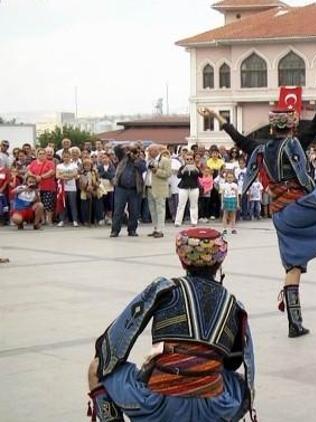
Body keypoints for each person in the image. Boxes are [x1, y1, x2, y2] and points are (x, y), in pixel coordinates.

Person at [201, 66, 316, 338]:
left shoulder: (258, 149)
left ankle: (295, 324)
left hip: (280, 217)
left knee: (293, 267)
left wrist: (217, 117)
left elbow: (238, 138)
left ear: (272, 127)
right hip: (298, 207)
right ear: (293, 125)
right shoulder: (295, 144)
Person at [86, 228, 257, 422]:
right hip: (213, 407)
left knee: (96, 369)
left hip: (159, 403)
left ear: (182, 259)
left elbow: (115, 344)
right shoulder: (234, 306)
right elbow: (234, 362)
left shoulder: (165, 290)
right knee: (240, 387)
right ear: (220, 260)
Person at [111, 143, 147, 237]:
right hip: (121, 188)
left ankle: (132, 230)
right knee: (118, 210)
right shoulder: (123, 157)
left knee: (134, 211)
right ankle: (115, 230)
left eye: (136, 151)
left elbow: (143, 168)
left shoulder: (141, 161)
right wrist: (127, 147)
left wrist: (136, 158)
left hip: (134, 189)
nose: (134, 153)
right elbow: (116, 148)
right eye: (133, 151)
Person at [145, 145, 171, 238]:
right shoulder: (149, 160)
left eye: (150, 151)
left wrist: (157, 171)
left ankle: (160, 230)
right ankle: (155, 228)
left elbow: (168, 174)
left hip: (159, 188)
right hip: (149, 188)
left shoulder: (165, 160)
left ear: (155, 151)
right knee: (152, 209)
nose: (148, 153)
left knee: (160, 209)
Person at [26, 148, 57, 226]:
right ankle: (42, 220)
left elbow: (52, 172)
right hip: (36, 187)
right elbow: (29, 171)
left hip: (48, 186)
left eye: (43, 153)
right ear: (37, 154)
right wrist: (35, 176)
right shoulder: (33, 162)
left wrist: (41, 177)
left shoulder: (50, 163)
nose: (42, 155)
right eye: (40, 153)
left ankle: (49, 220)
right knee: (40, 203)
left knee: (48, 204)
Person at [175, 153, 201, 227]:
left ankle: (194, 221)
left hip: (194, 187)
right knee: (181, 205)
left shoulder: (196, 167)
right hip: (183, 188)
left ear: (193, 160)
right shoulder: (182, 167)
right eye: (187, 159)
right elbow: (178, 176)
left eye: (191, 159)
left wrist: (196, 168)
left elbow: (201, 175)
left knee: (194, 205)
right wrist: (184, 169)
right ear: (185, 160)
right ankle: (178, 222)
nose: (189, 161)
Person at [56, 150, 80, 227]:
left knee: (73, 204)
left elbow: (75, 174)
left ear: (70, 157)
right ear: (62, 157)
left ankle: (75, 220)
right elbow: (57, 175)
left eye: (68, 156)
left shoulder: (73, 165)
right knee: (62, 204)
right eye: (64, 156)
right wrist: (69, 176)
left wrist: (65, 176)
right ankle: (62, 220)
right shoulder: (59, 166)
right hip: (62, 188)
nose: (66, 158)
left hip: (72, 187)